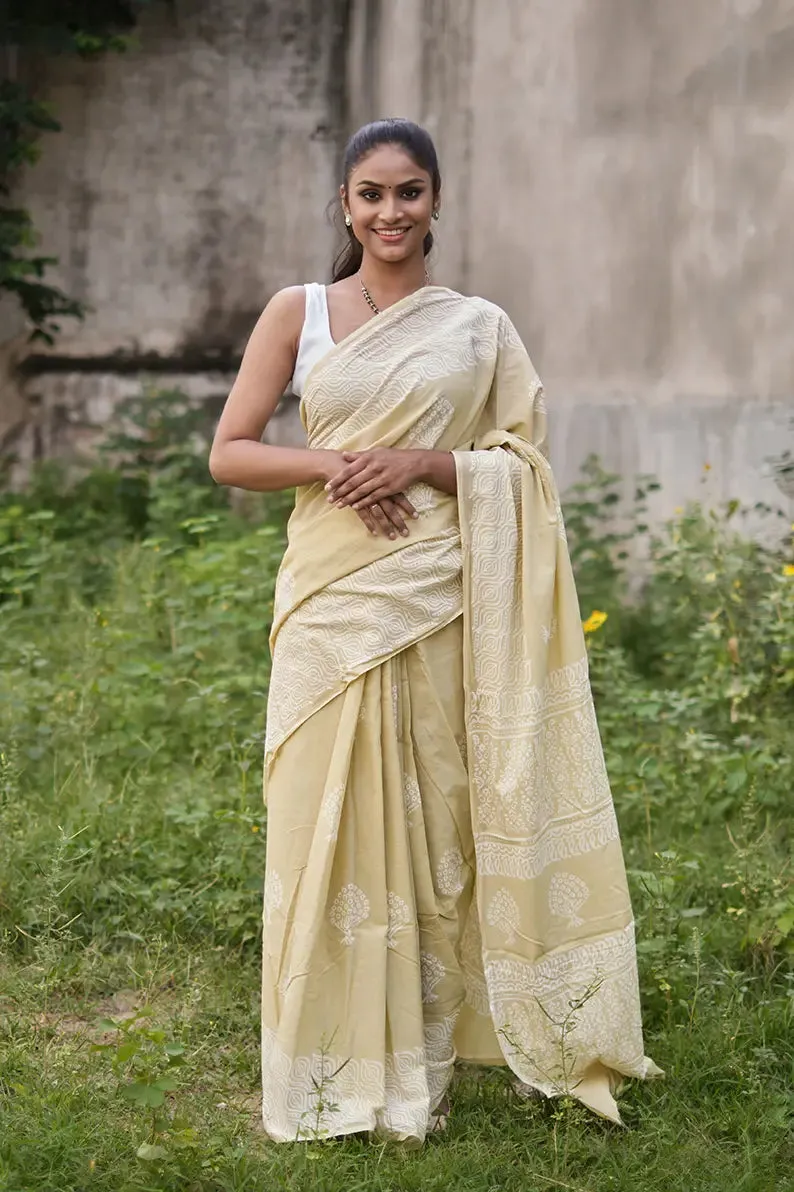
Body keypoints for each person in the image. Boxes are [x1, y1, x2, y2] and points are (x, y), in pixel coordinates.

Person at [209, 117, 660, 1145]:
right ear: (344, 205)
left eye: (408, 192)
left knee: (431, 820)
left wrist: (422, 463)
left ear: (436, 200)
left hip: (442, 594)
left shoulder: (479, 327)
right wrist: (336, 464)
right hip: (331, 602)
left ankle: (421, 1054)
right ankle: (325, 1065)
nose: (389, 212)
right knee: (317, 821)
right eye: (369, 194)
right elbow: (231, 452)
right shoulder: (301, 311)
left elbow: (524, 465)